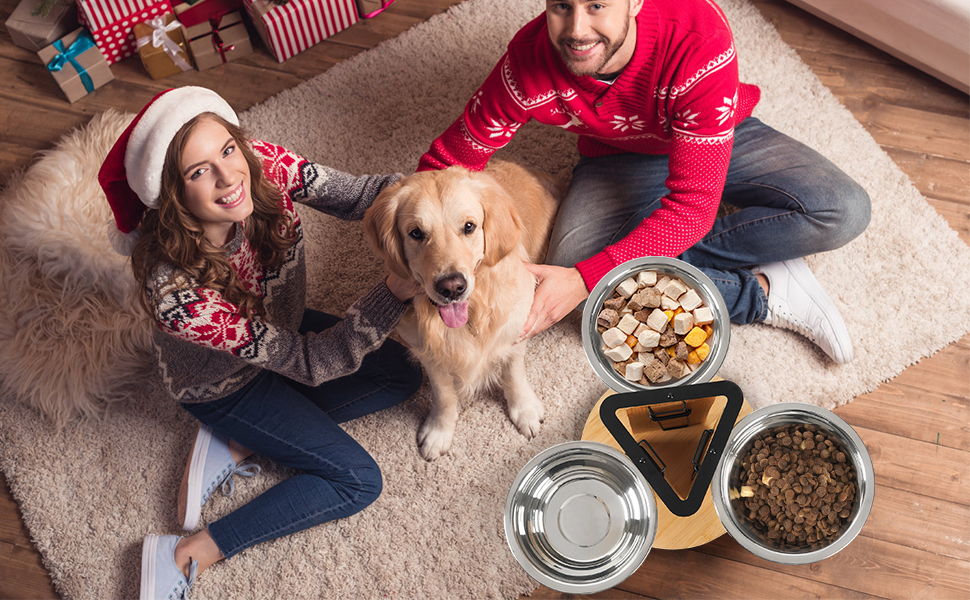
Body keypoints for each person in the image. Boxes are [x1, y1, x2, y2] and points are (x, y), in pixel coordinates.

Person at [98, 86, 422, 600]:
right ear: (173, 196)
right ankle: (189, 551)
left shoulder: (259, 165)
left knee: (403, 371)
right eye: (198, 171)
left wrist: (443, 199)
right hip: (223, 384)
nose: (229, 177)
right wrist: (395, 291)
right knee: (357, 481)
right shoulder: (176, 293)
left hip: (281, 332)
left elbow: (362, 196)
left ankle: (243, 440)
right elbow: (313, 363)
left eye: (226, 150)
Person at [419, 0, 871, 363]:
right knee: (573, 292)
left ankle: (742, 284)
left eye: (597, 5)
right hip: (616, 157)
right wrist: (412, 246)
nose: (576, 28)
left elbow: (692, 207)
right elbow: (447, 160)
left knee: (842, 209)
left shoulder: (699, 37)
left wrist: (589, 275)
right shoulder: (529, 60)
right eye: (561, 6)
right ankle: (765, 292)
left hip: (709, 136)